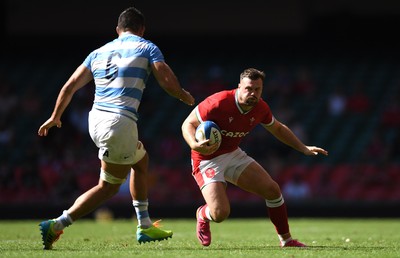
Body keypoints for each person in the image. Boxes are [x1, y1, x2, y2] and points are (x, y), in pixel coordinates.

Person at [37, 6, 195, 250]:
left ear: (118, 29)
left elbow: (69, 87)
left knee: (140, 161)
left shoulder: (98, 52)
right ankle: (57, 225)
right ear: (141, 29)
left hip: (96, 119)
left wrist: (55, 116)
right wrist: (183, 95)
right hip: (119, 121)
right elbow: (165, 79)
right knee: (108, 187)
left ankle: (144, 225)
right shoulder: (146, 46)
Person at [181, 68, 328, 247]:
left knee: (273, 191)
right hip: (206, 159)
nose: (253, 93)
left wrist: (303, 148)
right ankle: (202, 214)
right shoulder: (218, 102)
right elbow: (188, 123)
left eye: (257, 89)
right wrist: (194, 144)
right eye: (249, 88)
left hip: (233, 153)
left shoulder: (260, 107)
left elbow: (278, 128)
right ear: (239, 87)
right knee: (220, 213)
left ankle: (286, 240)